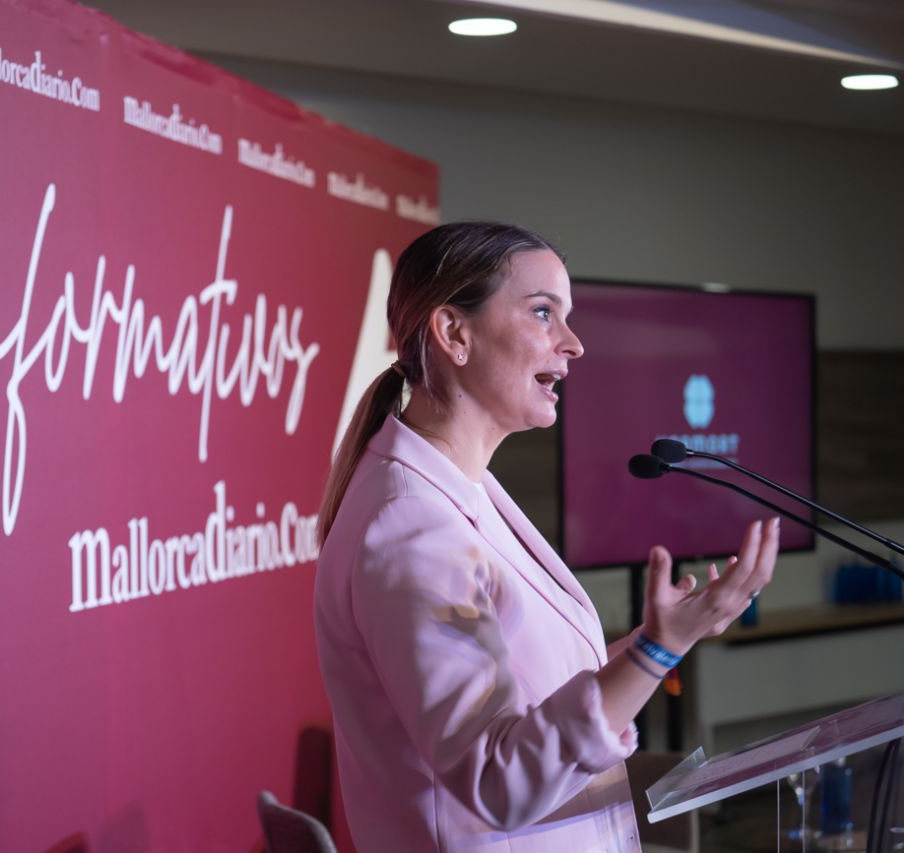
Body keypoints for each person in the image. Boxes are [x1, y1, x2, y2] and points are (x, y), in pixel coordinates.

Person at [314, 222, 779, 851]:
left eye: (567, 316)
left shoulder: (460, 489)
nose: (574, 344)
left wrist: (665, 636)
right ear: (454, 333)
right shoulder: (410, 526)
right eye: (543, 312)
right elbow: (496, 780)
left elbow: (540, 687)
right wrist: (657, 652)